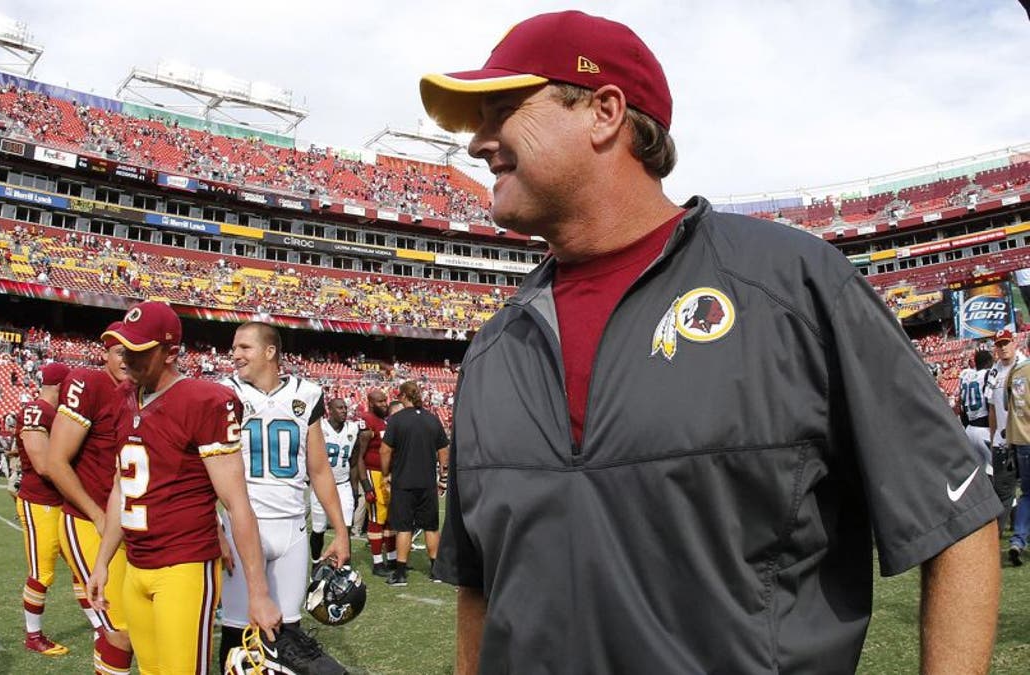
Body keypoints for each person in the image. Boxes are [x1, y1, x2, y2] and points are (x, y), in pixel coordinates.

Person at [419, 10, 1001, 673]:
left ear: (605, 112)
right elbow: (479, 588)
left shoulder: (791, 286)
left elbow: (957, 522)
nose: (478, 142)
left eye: (501, 109)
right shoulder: (495, 350)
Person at [87, 302, 281, 675]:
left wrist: (257, 592)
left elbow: (237, 503)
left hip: (184, 566)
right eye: (124, 347)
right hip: (135, 566)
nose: (127, 358)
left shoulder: (203, 401)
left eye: (140, 350)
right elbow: (120, 487)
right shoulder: (124, 398)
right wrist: (102, 563)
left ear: (170, 352)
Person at [218, 321, 350, 675]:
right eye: (234, 348)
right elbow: (203, 468)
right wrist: (214, 529)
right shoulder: (224, 393)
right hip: (242, 526)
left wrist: (341, 531)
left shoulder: (306, 394)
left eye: (244, 347)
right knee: (236, 634)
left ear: (270, 351)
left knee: (287, 633)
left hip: (293, 527)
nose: (236, 355)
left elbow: (319, 470)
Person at [43, 321, 134, 675]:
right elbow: (55, 461)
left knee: (133, 625)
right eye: (118, 351)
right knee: (120, 629)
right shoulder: (90, 383)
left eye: (133, 351)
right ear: (105, 353)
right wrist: (97, 514)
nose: (126, 359)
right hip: (89, 520)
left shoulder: (142, 392)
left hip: (133, 523)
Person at [12, 362, 72, 656]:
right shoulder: (38, 411)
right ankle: (33, 635)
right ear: (61, 387)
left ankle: (103, 627)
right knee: (42, 572)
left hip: (59, 501)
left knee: (81, 567)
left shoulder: (51, 413)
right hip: (41, 502)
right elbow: (44, 464)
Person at [379, 381, 449, 587]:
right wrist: (443, 477)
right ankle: (436, 570)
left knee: (403, 528)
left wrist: (385, 473)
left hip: (404, 481)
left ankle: (400, 573)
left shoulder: (396, 420)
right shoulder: (432, 419)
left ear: (402, 396)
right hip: (427, 482)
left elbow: (385, 451)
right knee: (431, 527)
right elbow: (443, 450)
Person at [309, 398, 359, 562]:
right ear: (329, 410)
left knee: (345, 528)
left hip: (343, 485)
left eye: (345, 408)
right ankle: (316, 562)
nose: (344, 410)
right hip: (321, 486)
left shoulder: (353, 429)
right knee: (318, 528)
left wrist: (355, 488)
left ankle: (344, 565)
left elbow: (354, 462)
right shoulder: (319, 428)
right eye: (339, 408)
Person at [987, 328, 1023, 535]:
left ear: (1014, 342)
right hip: (1002, 442)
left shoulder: (1024, 365)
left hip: (1024, 438)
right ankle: (996, 535)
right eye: (999, 344)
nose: (1003, 348)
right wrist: (992, 438)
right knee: (1003, 491)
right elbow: (992, 407)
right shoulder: (995, 371)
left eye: (1006, 343)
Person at [357, 390, 397, 577]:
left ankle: (392, 558)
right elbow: (359, 456)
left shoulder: (386, 421)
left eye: (385, 400)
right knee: (376, 519)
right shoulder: (367, 421)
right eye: (380, 401)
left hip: (388, 475)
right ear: (371, 403)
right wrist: (366, 485)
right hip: (374, 473)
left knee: (390, 519)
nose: (384, 403)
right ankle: (377, 562)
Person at [1003, 333, 1030, 565]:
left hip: (1021, 443)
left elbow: (1006, 404)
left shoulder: (1016, 371)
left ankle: (1018, 541)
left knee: (1027, 495)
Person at [958, 349, 994, 475]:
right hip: (984, 429)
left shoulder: (966, 377)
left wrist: (967, 426)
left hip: (970, 430)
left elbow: (961, 405)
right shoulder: (988, 374)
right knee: (999, 472)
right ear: (989, 362)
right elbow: (991, 403)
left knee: (979, 475)